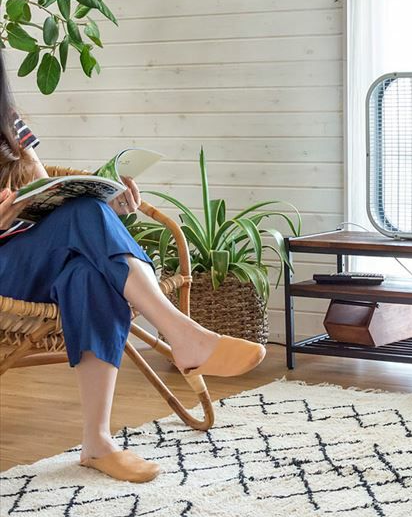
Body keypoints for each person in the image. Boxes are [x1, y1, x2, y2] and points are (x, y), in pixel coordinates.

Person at [0, 52, 265, 483]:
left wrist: (111, 204)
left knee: (88, 274)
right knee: (84, 216)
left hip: (37, 259)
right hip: (6, 272)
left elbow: (45, 197)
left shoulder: (8, 124)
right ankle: (184, 335)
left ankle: (97, 443)